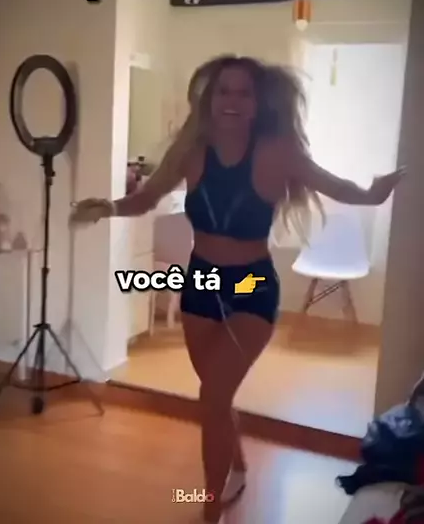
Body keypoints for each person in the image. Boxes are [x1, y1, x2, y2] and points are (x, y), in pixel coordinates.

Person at [70, 55, 405, 523]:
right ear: (211, 99)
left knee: (212, 395)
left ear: (257, 102)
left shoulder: (277, 150)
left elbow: (331, 184)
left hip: (250, 284)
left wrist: (372, 194)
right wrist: (107, 207)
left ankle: (210, 507)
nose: (232, 100)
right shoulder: (191, 150)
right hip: (202, 282)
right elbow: (146, 197)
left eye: (244, 92)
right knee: (216, 392)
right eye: (224, 91)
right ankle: (239, 463)